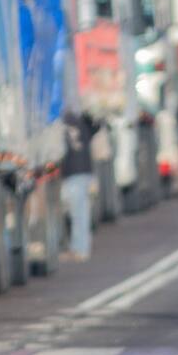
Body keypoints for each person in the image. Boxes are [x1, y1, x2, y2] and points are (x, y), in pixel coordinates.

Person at [61, 111, 98, 261]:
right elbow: (96, 127)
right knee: (81, 213)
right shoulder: (84, 123)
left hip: (73, 174)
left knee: (77, 214)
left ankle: (79, 249)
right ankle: (80, 248)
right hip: (84, 172)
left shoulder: (62, 127)